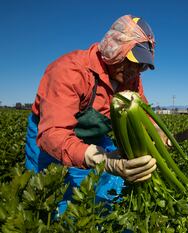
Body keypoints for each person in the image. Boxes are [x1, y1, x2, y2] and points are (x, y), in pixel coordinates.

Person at [24, 15, 165, 215]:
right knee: (57, 201)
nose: (136, 71)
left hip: (96, 136)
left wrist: (157, 131)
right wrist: (105, 161)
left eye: (141, 65)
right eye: (132, 62)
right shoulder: (70, 71)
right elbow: (53, 134)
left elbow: (143, 110)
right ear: (114, 49)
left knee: (107, 192)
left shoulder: (131, 78)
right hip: (50, 138)